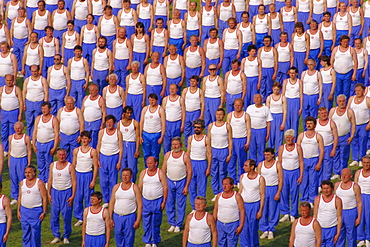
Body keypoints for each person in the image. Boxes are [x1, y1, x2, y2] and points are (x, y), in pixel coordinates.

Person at [162, 137, 192, 232]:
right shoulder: (167, 155)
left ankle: (178, 224)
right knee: (169, 202)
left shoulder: (185, 156)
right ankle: (172, 223)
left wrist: (186, 186)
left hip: (181, 181)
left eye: (176, 144)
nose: (175, 146)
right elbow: (163, 170)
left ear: (181, 145)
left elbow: (190, 171)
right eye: (173, 144)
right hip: (169, 181)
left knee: (180, 203)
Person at [47, 148, 76, 244]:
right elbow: (50, 179)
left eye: (63, 155)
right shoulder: (53, 165)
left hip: (66, 192)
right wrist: (49, 193)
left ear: (66, 155)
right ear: (57, 155)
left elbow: (74, 182)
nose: (61, 156)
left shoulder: (70, 166)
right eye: (59, 155)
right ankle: (56, 235)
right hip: (55, 192)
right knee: (54, 215)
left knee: (66, 216)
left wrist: (72, 195)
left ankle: (66, 236)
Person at [109, 168, 142, 247]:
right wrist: (110, 218)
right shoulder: (116, 187)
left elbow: (140, 205)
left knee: (129, 239)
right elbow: (112, 203)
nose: (125, 177)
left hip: (130, 217)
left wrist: (138, 220)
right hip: (117, 217)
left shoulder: (135, 188)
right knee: (118, 237)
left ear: (131, 176)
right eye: (123, 175)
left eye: (127, 175)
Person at [138, 156, 168, 246]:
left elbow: (165, 188)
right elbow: (139, 187)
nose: (149, 165)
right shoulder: (143, 173)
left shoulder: (160, 173)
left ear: (156, 163)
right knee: (146, 222)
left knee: (156, 222)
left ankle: (155, 241)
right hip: (146, 200)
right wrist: (139, 201)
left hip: (157, 200)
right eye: (148, 163)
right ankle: (147, 241)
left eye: (151, 163)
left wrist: (164, 201)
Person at [72, 131, 98, 227]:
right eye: (82, 138)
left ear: (89, 140)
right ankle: (79, 217)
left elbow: (95, 166)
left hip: (88, 175)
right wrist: (72, 178)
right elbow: (73, 165)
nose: (84, 140)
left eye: (86, 139)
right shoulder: (76, 151)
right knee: (78, 196)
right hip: (78, 175)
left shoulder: (93, 151)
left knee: (88, 196)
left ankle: (88, 216)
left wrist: (93, 180)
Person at [18, 165, 48, 247]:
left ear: (34, 173)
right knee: (26, 233)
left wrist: (44, 211)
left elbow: (45, 198)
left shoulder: (40, 183)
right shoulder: (22, 183)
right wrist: (18, 210)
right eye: (26, 173)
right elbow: (20, 197)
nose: (27, 174)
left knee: (35, 234)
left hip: (36, 211)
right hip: (24, 211)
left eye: (29, 172)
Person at [278, 129, 304, 223]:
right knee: (284, 192)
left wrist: (301, 175)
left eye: (290, 137)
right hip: (284, 172)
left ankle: (293, 213)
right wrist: (279, 175)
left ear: (294, 138)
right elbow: (279, 162)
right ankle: (285, 213)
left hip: (295, 172)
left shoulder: (298, 148)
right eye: (287, 137)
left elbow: (301, 161)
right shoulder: (281, 148)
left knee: (294, 193)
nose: (289, 139)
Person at [296, 116, 324, 204]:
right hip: (303, 160)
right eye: (307, 124)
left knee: (313, 181)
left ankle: (312, 200)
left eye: (310, 124)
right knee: (304, 181)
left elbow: (322, 151)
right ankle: (304, 199)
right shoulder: (301, 135)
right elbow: (297, 149)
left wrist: (319, 163)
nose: (308, 125)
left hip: (314, 159)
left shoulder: (318, 136)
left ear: (314, 125)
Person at [97, 115, 123, 206]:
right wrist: (98, 159)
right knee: (104, 180)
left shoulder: (118, 133)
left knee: (113, 179)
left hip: (114, 157)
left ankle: (113, 199)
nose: (109, 124)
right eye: (107, 122)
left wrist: (119, 161)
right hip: (103, 157)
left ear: (114, 123)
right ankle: (106, 200)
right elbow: (98, 146)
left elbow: (121, 148)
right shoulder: (101, 132)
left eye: (111, 122)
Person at [257, 148, 283, 239]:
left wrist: (278, 192)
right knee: (263, 209)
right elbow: (258, 179)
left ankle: (271, 229)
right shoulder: (261, 165)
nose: (266, 156)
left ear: (272, 155)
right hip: (263, 188)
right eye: (265, 155)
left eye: (268, 155)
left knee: (273, 209)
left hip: (273, 188)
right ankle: (264, 229)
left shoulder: (277, 165)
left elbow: (280, 179)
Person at [239, 159, 266, 247]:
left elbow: (262, 195)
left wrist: (260, 210)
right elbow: (240, 191)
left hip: (254, 205)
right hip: (243, 205)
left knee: (253, 228)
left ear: (252, 167)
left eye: (246, 165)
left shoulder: (260, 179)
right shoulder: (242, 176)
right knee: (243, 228)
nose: (244, 167)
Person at [329, 95, 356, 178]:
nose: (342, 103)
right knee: (336, 155)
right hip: (334, 137)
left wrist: (352, 136)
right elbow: (329, 123)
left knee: (344, 155)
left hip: (345, 136)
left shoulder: (349, 111)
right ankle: (337, 172)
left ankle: (343, 172)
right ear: (337, 102)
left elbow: (353, 124)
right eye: (340, 101)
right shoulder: (333, 110)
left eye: (343, 101)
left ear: (346, 101)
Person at [208, 108, 232, 201]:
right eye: (217, 114)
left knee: (222, 172)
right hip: (214, 150)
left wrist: (229, 153)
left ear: (224, 115)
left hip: (223, 150)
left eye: (221, 114)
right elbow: (209, 140)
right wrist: (208, 152)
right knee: (214, 172)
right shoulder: (211, 126)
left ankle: (223, 190)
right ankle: (215, 192)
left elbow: (230, 140)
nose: (219, 116)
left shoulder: (227, 126)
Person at [33, 101, 60, 183]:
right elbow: (35, 132)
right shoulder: (38, 118)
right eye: (42, 109)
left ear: (50, 109)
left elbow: (56, 134)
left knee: (48, 163)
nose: (44, 110)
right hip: (39, 143)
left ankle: (48, 181)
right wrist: (34, 144)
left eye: (45, 108)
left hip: (49, 143)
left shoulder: (54, 119)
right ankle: (42, 180)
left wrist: (54, 147)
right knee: (40, 164)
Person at [187, 119, 211, 209]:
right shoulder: (190, 138)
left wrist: (208, 167)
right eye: (195, 127)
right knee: (192, 186)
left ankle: (201, 206)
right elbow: (188, 152)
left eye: (198, 127)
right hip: (192, 162)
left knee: (201, 187)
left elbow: (209, 153)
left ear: (202, 128)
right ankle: (194, 207)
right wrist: (187, 166)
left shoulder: (206, 139)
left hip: (202, 163)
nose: (196, 129)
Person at [335, 168, 362, 247]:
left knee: (351, 235)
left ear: (350, 176)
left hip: (351, 212)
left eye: (346, 175)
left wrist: (359, 217)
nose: (343, 176)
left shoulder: (355, 187)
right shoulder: (337, 185)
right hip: (339, 212)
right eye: (342, 174)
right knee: (339, 233)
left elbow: (359, 202)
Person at [213, 177, 244, 246]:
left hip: (233, 224)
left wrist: (241, 225)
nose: (224, 186)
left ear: (232, 185)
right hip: (220, 224)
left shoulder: (237, 196)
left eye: (226, 184)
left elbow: (242, 211)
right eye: (223, 184)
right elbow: (215, 209)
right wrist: (213, 222)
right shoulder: (219, 196)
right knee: (221, 243)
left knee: (232, 244)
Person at [226, 98, 251, 183]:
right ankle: (233, 179)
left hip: (242, 139)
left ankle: (241, 179)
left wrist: (247, 142)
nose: (237, 107)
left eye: (239, 105)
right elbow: (227, 129)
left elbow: (248, 129)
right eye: (236, 105)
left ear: (242, 106)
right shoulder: (230, 115)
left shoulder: (246, 115)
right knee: (232, 161)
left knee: (241, 161)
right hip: (232, 140)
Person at [8, 122, 32, 206]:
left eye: (19, 128)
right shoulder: (11, 137)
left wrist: (29, 163)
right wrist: (9, 161)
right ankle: (15, 197)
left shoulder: (26, 138)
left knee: (22, 178)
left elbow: (29, 151)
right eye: (16, 128)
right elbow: (10, 149)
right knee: (13, 178)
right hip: (13, 159)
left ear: (22, 128)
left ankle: (24, 196)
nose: (18, 130)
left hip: (22, 160)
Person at [22, 65, 49, 139]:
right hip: (29, 102)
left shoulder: (43, 80)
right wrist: (24, 104)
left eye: (36, 71)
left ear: (38, 71)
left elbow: (46, 92)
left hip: (39, 102)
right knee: (29, 121)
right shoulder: (27, 80)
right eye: (33, 71)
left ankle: (38, 137)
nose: (34, 73)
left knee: (38, 121)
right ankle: (30, 138)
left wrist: (45, 104)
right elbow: (24, 92)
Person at [314, 180, 343, 246]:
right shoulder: (317, 199)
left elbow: (339, 217)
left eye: (327, 188)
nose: (326, 191)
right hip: (320, 228)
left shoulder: (337, 200)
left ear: (332, 189)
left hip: (332, 228)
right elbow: (315, 215)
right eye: (324, 188)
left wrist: (338, 232)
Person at [246, 94, 273, 163]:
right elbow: (246, 121)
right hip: (252, 130)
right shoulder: (249, 108)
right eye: (255, 98)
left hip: (261, 130)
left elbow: (268, 122)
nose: (257, 99)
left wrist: (268, 134)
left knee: (261, 149)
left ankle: (260, 164)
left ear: (262, 100)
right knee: (252, 149)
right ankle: (252, 165)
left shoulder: (265, 109)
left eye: (258, 98)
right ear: (253, 100)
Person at [140, 93, 166, 164]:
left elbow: (163, 124)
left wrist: (162, 136)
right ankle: (147, 169)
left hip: (156, 134)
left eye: (153, 100)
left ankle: (155, 169)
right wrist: (140, 136)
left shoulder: (160, 110)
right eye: (150, 100)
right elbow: (141, 122)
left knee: (155, 154)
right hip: (146, 134)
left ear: (156, 100)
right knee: (146, 154)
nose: (151, 102)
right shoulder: (145, 109)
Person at [348, 83, 370, 167]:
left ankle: (362, 158)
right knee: (354, 141)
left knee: (362, 142)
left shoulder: (367, 100)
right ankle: (355, 159)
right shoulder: (351, 99)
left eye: (359, 90)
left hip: (363, 124)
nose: (357, 92)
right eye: (356, 91)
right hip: (353, 125)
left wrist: (369, 124)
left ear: (363, 91)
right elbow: (348, 110)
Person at [0, 74, 23, 153]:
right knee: (4, 132)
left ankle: (12, 149)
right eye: (7, 80)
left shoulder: (16, 89)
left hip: (14, 112)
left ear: (13, 81)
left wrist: (20, 114)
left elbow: (21, 102)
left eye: (10, 80)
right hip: (4, 112)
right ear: (5, 80)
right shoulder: (2, 89)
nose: (9, 82)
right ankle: (5, 150)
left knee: (13, 132)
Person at [57, 96, 84, 162]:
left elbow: (82, 123)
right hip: (63, 135)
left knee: (74, 154)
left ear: (74, 103)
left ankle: (73, 167)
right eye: (68, 103)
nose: (69, 105)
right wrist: (57, 134)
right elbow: (57, 123)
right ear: (65, 103)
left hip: (75, 135)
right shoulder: (61, 110)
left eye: (71, 103)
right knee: (63, 153)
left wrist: (81, 135)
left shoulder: (77, 111)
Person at [117, 106, 140, 182]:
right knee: (123, 165)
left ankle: (132, 182)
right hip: (123, 144)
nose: (129, 114)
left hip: (131, 144)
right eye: (127, 113)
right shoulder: (119, 124)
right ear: (124, 113)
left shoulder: (135, 123)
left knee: (132, 166)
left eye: (130, 113)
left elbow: (137, 137)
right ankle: (123, 182)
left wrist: (137, 150)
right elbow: (117, 137)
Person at [315, 107, 338, 182]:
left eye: (325, 113)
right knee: (318, 164)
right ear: (319, 114)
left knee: (327, 165)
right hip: (317, 147)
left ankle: (326, 181)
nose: (324, 115)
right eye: (322, 113)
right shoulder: (315, 123)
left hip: (328, 146)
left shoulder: (331, 123)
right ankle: (318, 182)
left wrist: (334, 149)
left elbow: (335, 136)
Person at [331, 35, 357, 99]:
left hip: (348, 73)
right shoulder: (336, 49)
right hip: (337, 73)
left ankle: (346, 105)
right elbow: (331, 61)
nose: (345, 44)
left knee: (346, 91)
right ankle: (338, 106)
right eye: (344, 42)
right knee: (338, 91)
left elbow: (355, 62)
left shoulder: (351, 49)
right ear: (340, 42)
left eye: (347, 42)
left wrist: (354, 74)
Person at [162, 84, 185, 154]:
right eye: (170, 89)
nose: (172, 90)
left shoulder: (180, 99)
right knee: (166, 144)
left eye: (174, 89)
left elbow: (183, 113)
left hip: (177, 123)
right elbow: (162, 113)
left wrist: (182, 125)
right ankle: (167, 158)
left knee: (176, 143)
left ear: (177, 90)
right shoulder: (165, 99)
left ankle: (176, 157)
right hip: (167, 123)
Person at [82, 83, 106, 148]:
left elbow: (104, 112)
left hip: (96, 122)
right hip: (86, 122)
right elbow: (82, 110)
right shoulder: (86, 98)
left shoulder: (100, 99)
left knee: (94, 138)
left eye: (93, 90)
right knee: (85, 137)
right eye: (90, 90)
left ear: (97, 91)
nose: (91, 92)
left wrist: (102, 124)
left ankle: (93, 151)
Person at [182, 75, 204, 146]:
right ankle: (187, 145)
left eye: (194, 81)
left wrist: (201, 115)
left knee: (195, 129)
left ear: (197, 82)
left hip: (196, 112)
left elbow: (203, 104)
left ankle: (194, 144)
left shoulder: (200, 91)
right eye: (191, 81)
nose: (192, 83)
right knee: (186, 130)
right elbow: (181, 103)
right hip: (187, 112)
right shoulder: (185, 90)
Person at [266, 82, 287, 152]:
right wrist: (267, 122)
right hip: (271, 117)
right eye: (275, 89)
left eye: (277, 90)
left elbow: (285, 111)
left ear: (280, 89)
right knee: (271, 136)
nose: (276, 91)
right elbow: (267, 111)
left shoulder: (283, 98)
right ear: (272, 89)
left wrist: (283, 123)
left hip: (279, 117)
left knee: (279, 137)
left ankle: (278, 154)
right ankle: (270, 153)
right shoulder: (269, 98)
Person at [10, 7, 32, 74]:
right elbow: (11, 29)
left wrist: (29, 40)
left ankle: (23, 68)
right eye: (20, 11)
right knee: (16, 55)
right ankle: (17, 69)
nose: (21, 13)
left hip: (24, 40)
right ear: (18, 12)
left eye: (22, 12)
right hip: (16, 39)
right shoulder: (14, 20)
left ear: (24, 12)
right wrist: (11, 39)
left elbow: (30, 31)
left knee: (23, 55)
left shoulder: (27, 20)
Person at [354, 155, 370, 246]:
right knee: (359, 217)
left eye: (368, 163)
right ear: (362, 163)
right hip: (359, 197)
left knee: (368, 217)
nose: (366, 164)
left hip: (368, 196)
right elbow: (355, 185)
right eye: (364, 163)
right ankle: (360, 238)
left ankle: (368, 238)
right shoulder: (358, 172)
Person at [301, 59, 323, 123]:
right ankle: (305, 129)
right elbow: (301, 85)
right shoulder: (304, 73)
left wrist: (319, 97)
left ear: (314, 65)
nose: (310, 66)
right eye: (308, 65)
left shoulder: (317, 74)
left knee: (313, 114)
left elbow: (320, 86)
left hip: (314, 95)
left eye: (311, 64)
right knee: (305, 114)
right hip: (305, 95)